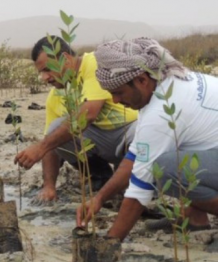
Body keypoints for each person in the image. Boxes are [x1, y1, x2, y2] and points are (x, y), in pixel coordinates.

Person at [76, 37, 218, 240]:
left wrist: (110, 242)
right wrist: (99, 198)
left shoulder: (162, 111)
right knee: (166, 157)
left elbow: (139, 189)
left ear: (142, 80)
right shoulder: (168, 83)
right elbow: (135, 155)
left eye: (118, 92)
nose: (115, 100)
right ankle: (194, 218)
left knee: (165, 169)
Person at [14, 36, 138, 204]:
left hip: (129, 132)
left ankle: (134, 185)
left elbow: (89, 114)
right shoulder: (55, 96)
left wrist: (39, 147)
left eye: (47, 69)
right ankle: (101, 176)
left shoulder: (94, 63)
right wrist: (49, 187)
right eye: (40, 73)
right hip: (104, 145)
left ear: (65, 59)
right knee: (55, 129)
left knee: (141, 136)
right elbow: (50, 146)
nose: (44, 78)